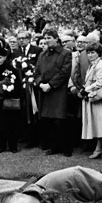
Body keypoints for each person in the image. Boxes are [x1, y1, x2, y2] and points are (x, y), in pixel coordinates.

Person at [34, 28, 73, 156]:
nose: (46, 41)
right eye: (45, 38)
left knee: (60, 121)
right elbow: (37, 72)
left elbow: (64, 72)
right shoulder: (42, 55)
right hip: (44, 90)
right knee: (48, 120)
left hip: (58, 90)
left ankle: (66, 147)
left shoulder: (65, 53)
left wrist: (50, 85)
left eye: (49, 38)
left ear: (56, 39)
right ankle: (54, 146)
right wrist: (41, 83)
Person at [81, 42, 102, 159]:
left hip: (97, 97)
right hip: (91, 96)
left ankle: (99, 147)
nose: (90, 55)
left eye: (93, 52)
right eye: (88, 53)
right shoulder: (93, 64)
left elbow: (99, 82)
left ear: (98, 53)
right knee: (94, 122)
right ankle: (98, 147)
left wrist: (86, 89)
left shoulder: (100, 65)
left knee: (99, 123)